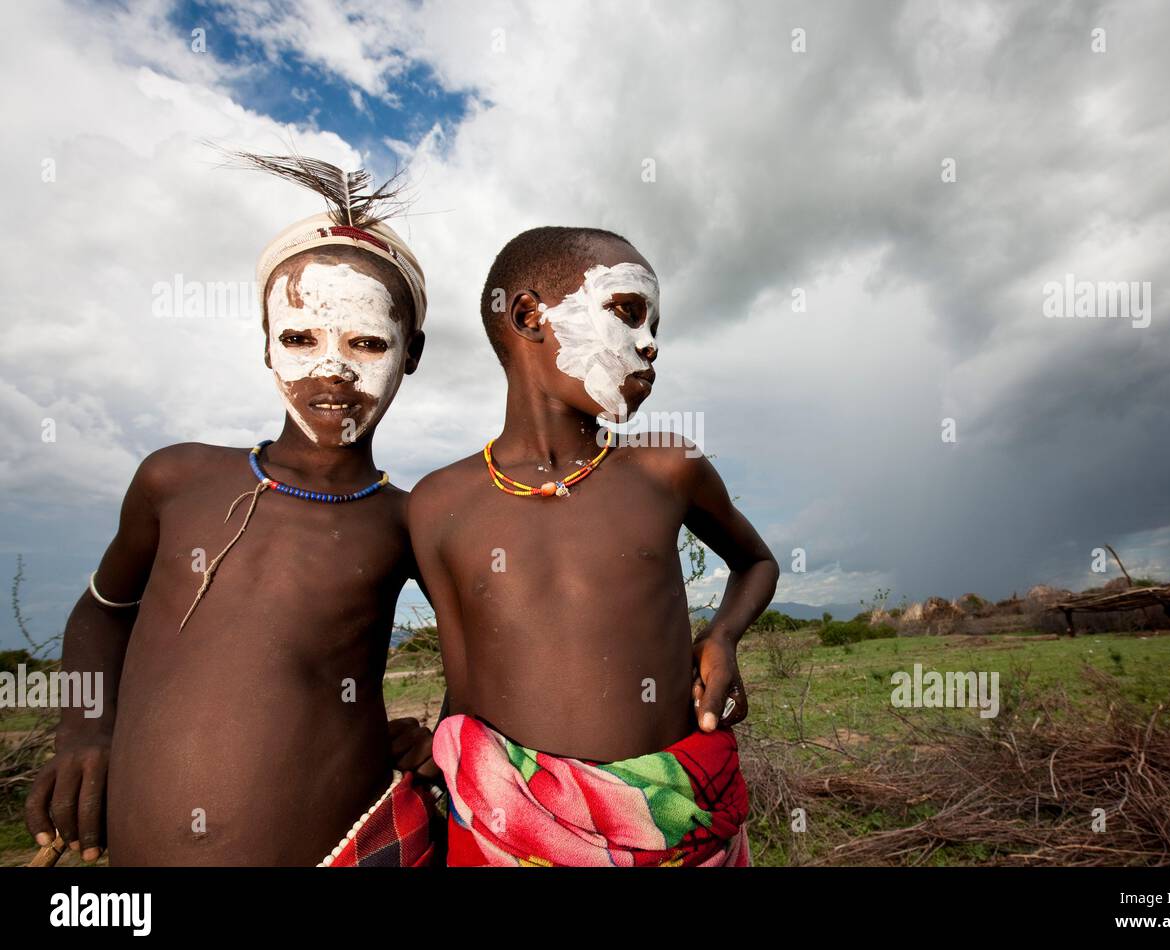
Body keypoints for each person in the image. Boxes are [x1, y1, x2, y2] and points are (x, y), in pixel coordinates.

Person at [25, 153, 442, 866]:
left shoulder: (410, 520)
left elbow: (499, 637)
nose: (330, 369)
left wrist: (446, 736)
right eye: (300, 338)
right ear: (265, 345)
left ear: (412, 353)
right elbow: (101, 610)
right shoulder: (177, 478)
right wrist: (85, 732)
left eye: (367, 342)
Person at [408, 226, 779, 866]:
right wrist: (440, 760)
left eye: (654, 323)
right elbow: (464, 675)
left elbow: (757, 562)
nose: (650, 343)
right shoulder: (439, 502)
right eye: (628, 312)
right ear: (530, 317)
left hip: (678, 819)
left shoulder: (667, 469)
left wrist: (721, 637)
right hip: (508, 829)